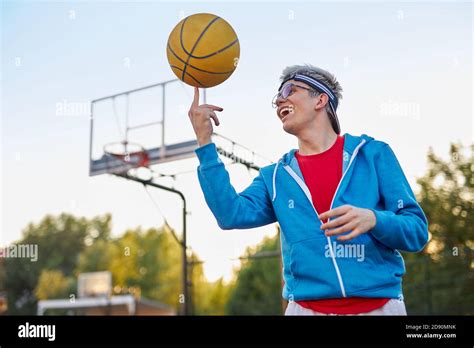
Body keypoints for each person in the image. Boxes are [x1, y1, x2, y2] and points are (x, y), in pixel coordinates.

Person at [187, 64, 428, 316]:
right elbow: (230, 214)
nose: (280, 98)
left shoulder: (373, 154)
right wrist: (205, 142)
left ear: (321, 99)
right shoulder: (276, 176)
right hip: (304, 309)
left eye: (290, 89)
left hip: (380, 307)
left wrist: (375, 219)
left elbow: (416, 231)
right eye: (277, 96)